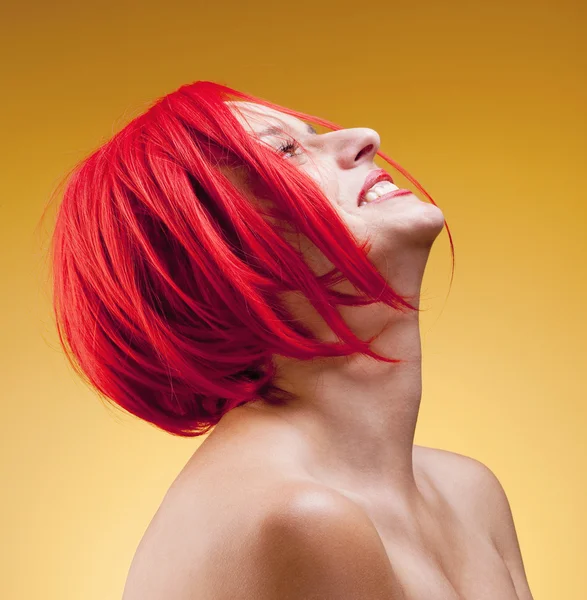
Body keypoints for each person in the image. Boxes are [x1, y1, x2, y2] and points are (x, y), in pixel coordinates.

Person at [49, 81, 534, 599]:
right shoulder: (299, 519)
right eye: (284, 152)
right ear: (213, 257)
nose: (362, 137)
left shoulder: (469, 492)